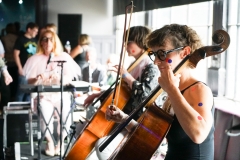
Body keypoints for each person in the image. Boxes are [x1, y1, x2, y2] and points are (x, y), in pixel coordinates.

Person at [100, 24, 214, 160]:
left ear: (184, 52)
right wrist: (124, 119)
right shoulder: (173, 92)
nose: (155, 62)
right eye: (154, 54)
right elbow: (156, 137)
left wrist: (172, 90)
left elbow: (199, 134)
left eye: (162, 53)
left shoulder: (199, 90)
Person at [84, 26, 161, 160]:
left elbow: (145, 95)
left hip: (138, 122)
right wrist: (98, 95)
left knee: (102, 147)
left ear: (139, 42)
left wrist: (126, 75)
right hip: (124, 116)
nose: (125, 45)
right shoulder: (136, 64)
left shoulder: (151, 65)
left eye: (129, 41)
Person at [23, 30, 81, 156]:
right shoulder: (35, 59)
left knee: (66, 117)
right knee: (44, 116)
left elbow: (69, 78)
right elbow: (30, 80)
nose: (48, 42)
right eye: (45, 39)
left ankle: (60, 143)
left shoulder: (64, 57)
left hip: (61, 95)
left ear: (55, 41)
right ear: (41, 42)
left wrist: (57, 77)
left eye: (51, 39)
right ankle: (49, 141)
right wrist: (39, 77)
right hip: (44, 96)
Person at [13, 22, 39, 102]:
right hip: (24, 69)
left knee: (30, 93)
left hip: (33, 71)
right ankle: (17, 112)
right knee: (21, 92)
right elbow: (15, 54)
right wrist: (20, 67)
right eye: (34, 31)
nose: (36, 33)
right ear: (29, 29)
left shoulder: (35, 40)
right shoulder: (21, 39)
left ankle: (28, 111)